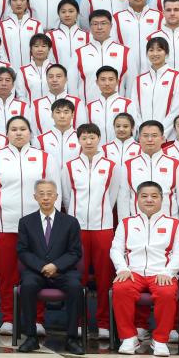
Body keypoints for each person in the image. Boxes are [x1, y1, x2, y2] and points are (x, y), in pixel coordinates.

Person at [0, 116, 61, 335]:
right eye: (14, 129)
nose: (18, 133)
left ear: (30, 133)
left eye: (23, 129)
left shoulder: (44, 158)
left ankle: (37, 319)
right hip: (5, 226)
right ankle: (8, 318)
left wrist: (52, 224)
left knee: (38, 274)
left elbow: (56, 192)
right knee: (7, 275)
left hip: (38, 227)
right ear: (6, 134)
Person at [111, 181, 179, 356]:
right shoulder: (126, 223)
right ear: (137, 199)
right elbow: (115, 249)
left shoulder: (174, 224)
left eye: (154, 196)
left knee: (167, 293)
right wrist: (122, 269)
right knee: (120, 288)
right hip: (133, 272)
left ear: (162, 199)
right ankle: (129, 338)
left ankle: (160, 340)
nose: (149, 200)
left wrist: (168, 272)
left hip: (161, 273)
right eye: (144, 196)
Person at [62, 122, 120, 338]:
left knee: (105, 278)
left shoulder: (111, 166)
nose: (88, 141)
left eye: (92, 137)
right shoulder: (69, 166)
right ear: (78, 140)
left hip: (103, 228)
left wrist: (101, 215)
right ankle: (78, 322)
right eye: (84, 138)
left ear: (99, 139)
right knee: (78, 277)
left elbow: (112, 196)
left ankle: (104, 323)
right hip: (77, 229)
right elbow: (66, 197)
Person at [15, 179, 84, 354]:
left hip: (63, 271)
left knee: (75, 287)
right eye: (42, 194)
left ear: (56, 196)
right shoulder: (26, 222)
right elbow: (23, 251)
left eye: (49, 194)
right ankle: (31, 337)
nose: (46, 198)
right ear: (35, 197)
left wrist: (56, 266)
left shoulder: (70, 222)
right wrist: (42, 267)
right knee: (27, 286)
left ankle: (72, 338)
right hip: (36, 271)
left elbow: (75, 252)